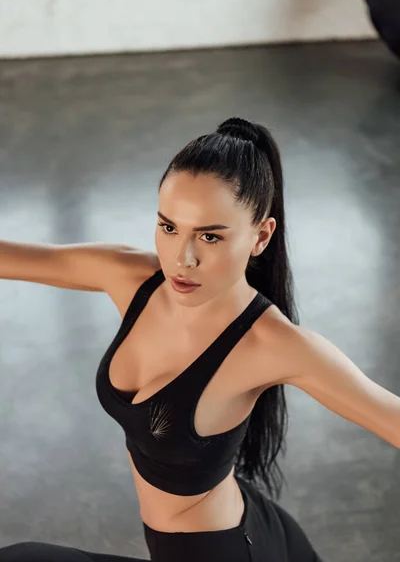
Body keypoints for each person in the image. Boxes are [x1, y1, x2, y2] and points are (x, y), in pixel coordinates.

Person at [1, 117, 398, 562]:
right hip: (225, 525)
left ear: (260, 236)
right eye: (169, 227)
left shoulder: (272, 344)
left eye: (210, 236)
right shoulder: (131, 277)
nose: (182, 258)